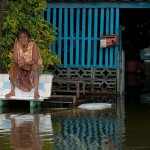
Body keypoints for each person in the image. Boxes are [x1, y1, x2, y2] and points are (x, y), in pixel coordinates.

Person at [5, 28, 43, 99]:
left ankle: (36, 92)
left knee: (35, 66)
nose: (22, 39)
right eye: (20, 37)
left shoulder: (33, 45)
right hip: (22, 66)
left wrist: (25, 63)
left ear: (28, 38)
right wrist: (18, 62)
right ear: (18, 39)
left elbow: (35, 60)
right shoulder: (16, 45)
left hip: (35, 67)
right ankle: (12, 91)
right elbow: (15, 59)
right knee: (13, 66)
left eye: (24, 37)